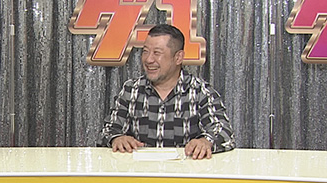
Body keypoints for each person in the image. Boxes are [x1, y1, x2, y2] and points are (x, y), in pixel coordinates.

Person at [99, 24, 235, 159]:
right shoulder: (131, 90)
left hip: (185, 170)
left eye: (157, 53)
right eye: (145, 51)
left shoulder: (200, 92)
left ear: (178, 57)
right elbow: (108, 130)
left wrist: (206, 142)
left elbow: (223, 132)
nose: (148, 59)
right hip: (140, 170)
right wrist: (117, 138)